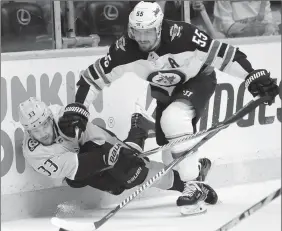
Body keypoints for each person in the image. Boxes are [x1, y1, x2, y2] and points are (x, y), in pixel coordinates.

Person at [58, 1, 279, 215]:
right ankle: (196, 170)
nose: (142, 39)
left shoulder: (183, 35)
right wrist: (78, 107)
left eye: (148, 32)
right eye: (137, 31)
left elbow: (225, 55)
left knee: (174, 120)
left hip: (198, 79)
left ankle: (194, 186)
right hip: (166, 91)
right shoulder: (125, 48)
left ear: (160, 27)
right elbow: (92, 79)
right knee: (170, 158)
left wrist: (251, 75)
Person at [18, 97, 218, 214]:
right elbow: (77, 169)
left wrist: (118, 152)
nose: (43, 133)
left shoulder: (64, 119)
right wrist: (109, 158)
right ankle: (139, 128)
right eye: (35, 130)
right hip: (80, 168)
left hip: (97, 144)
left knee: (134, 171)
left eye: (44, 124)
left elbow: (98, 136)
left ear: (49, 118)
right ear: (28, 131)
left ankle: (190, 184)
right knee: (119, 186)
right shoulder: (34, 152)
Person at [213, 1, 279, 37]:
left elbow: (267, 20)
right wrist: (251, 23)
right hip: (232, 37)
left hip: (260, 35)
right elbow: (227, 26)